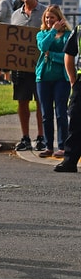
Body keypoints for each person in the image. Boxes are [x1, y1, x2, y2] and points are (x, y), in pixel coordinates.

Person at [11, 0, 46, 151]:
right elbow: (9, 38)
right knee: (22, 101)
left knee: (41, 101)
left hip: (41, 66)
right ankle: (25, 137)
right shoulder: (15, 14)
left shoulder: (46, 12)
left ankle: (41, 137)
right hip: (20, 66)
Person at [35, 5, 71, 158]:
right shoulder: (42, 34)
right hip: (43, 79)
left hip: (61, 79)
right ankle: (49, 146)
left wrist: (52, 56)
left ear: (59, 19)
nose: (49, 20)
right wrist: (52, 31)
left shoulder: (68, 35)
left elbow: (66, 57)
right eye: (47, 17)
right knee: (46, 113)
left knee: (61, 112)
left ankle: (63, 146)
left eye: (52, 18)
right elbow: (43, 46)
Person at [55, 23, 81, 172]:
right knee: (76, 122)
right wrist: (72, 80)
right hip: (80, 84)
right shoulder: (79, 29)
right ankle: (70, 162)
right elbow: (69, 55)